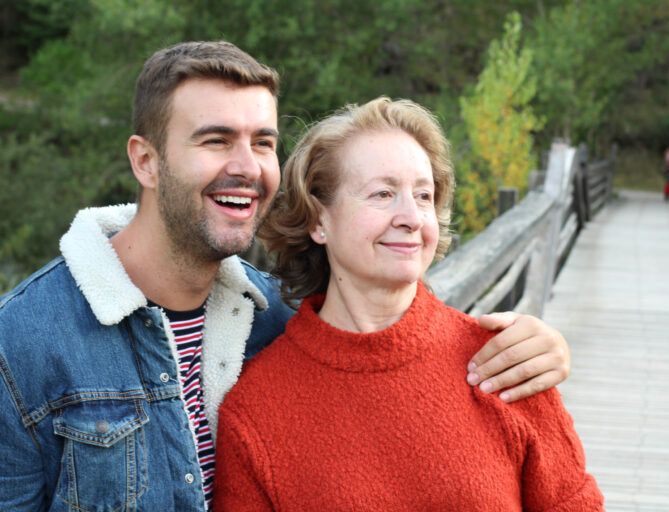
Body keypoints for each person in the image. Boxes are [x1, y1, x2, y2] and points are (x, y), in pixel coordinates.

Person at [0, 41, 572, 510]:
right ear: (145, 161)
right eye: (216, 140)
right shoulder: (24, 340)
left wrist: (537, 345)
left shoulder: (273, 316)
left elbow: (386, 346)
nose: (246, 167)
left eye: (263, 143)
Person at [213, 97, 603, 511]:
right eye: (382, 193)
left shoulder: (503, 359)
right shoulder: (257, 408)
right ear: (318, 220)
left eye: (423, 195)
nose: (411, 217)